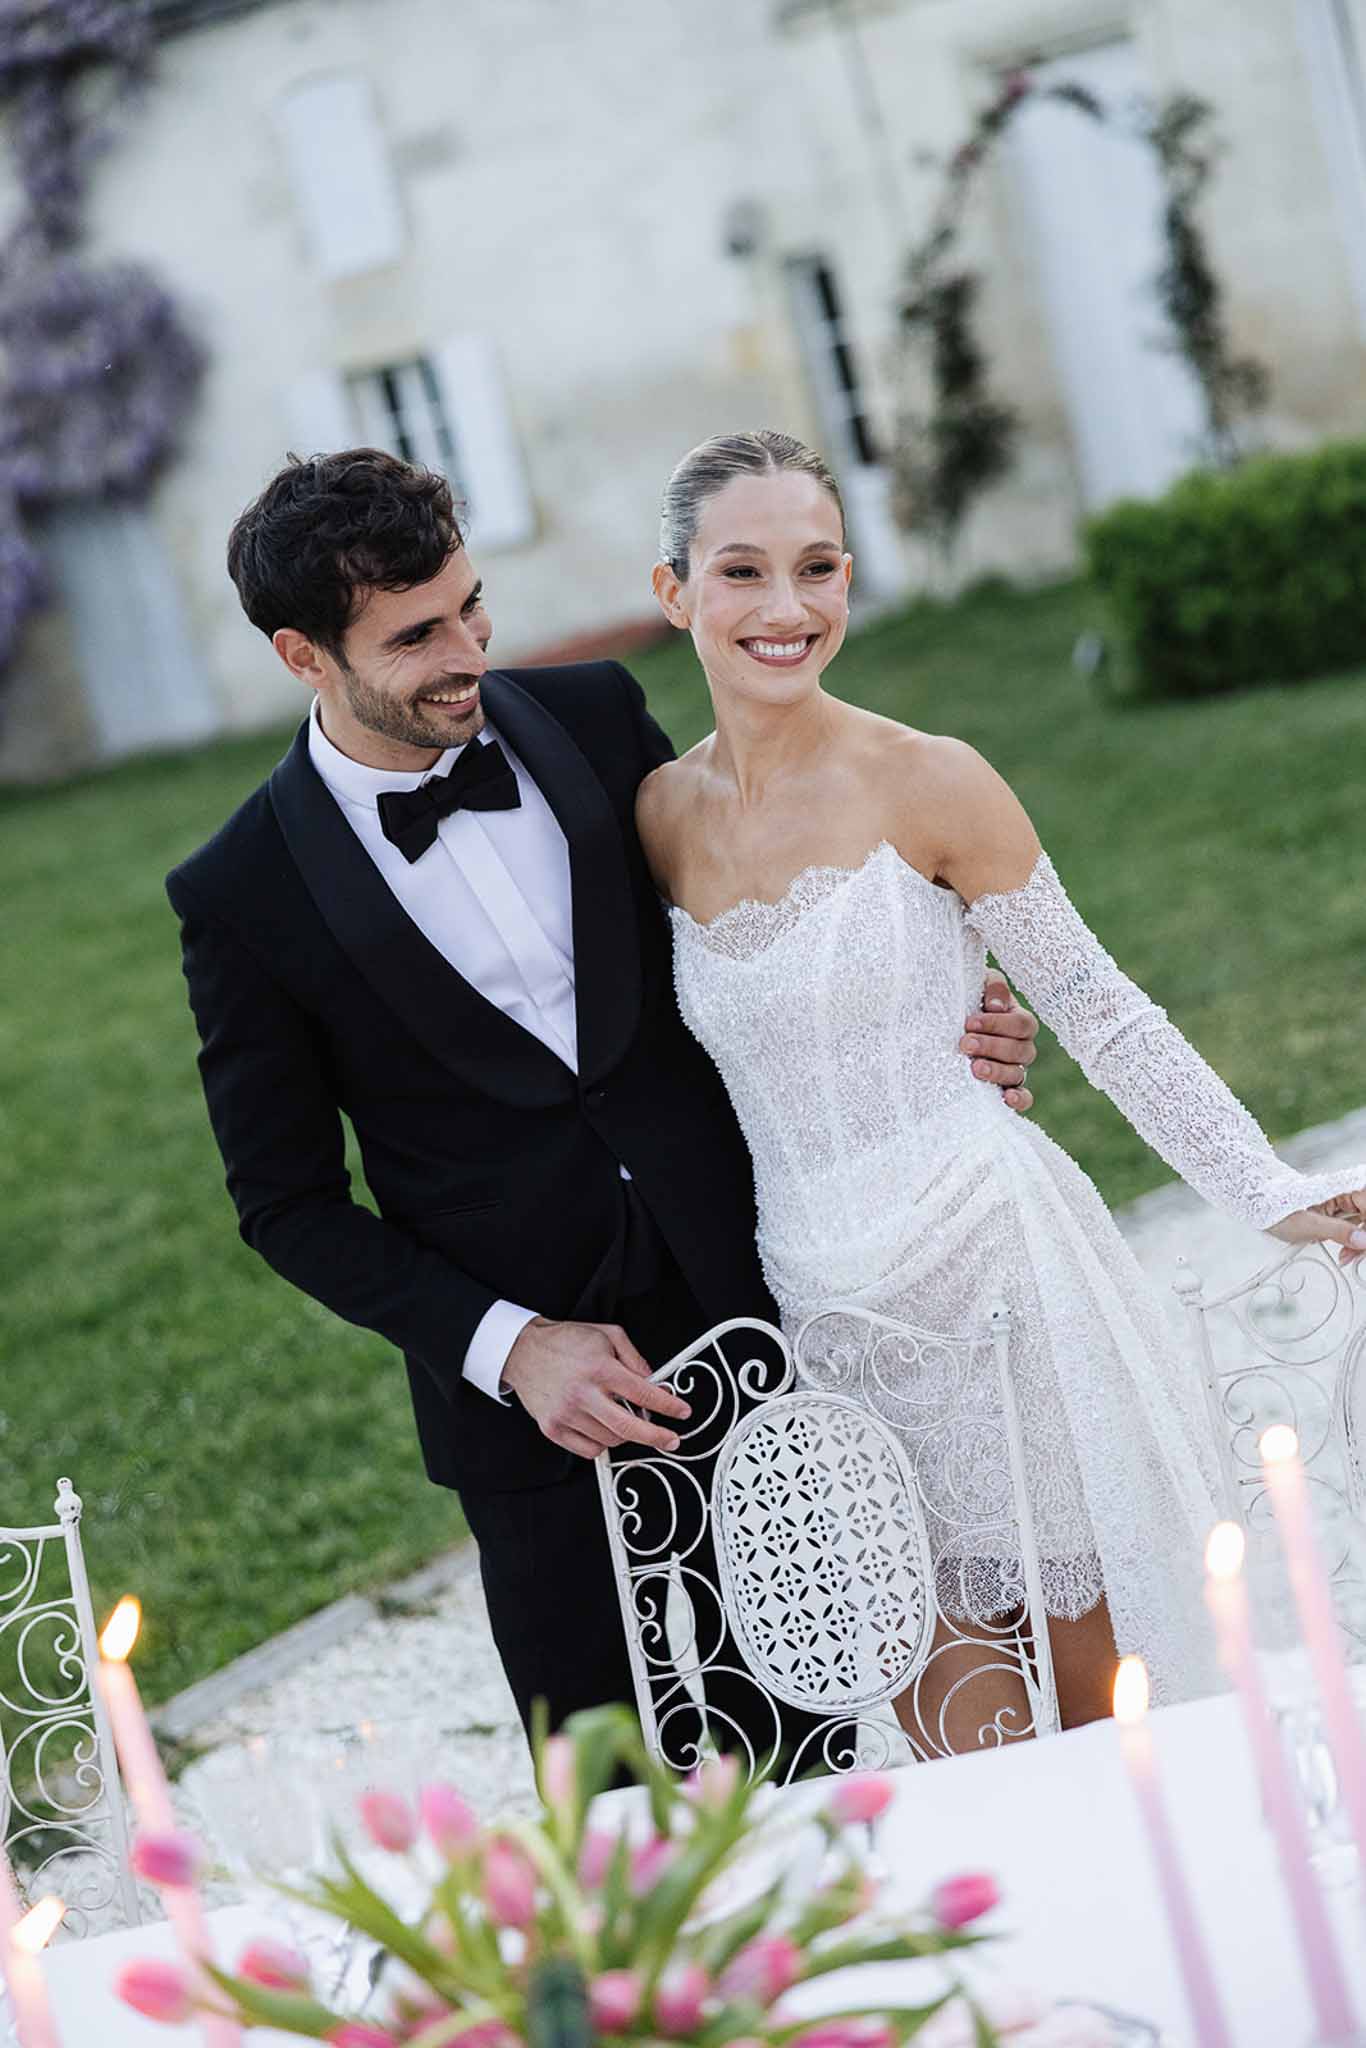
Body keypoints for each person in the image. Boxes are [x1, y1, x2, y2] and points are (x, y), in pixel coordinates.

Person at [166, 446, 1044, 1744]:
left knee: (816, 1724)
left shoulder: (589, 719)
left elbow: (746, 940)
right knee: (607, 1792)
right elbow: (285, 1202)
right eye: (416, 638)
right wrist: (507, 1346)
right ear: (305, 658)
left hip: (747, 1302)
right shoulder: (239, 891)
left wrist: (940, 1022)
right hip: (531, 1419)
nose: (468, 650)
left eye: (472, 607)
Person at [636, 429, 1366, 1741]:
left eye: (816, 568)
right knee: (945, 1729)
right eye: (741, 573)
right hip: (824, 1309)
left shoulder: (930, 777)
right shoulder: (657, 817)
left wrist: (1262, 1187)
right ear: (674, 590)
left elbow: (1094, 1004)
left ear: (850, 578)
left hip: (994, 1276)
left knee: (1109, 1710)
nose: (787, 610)